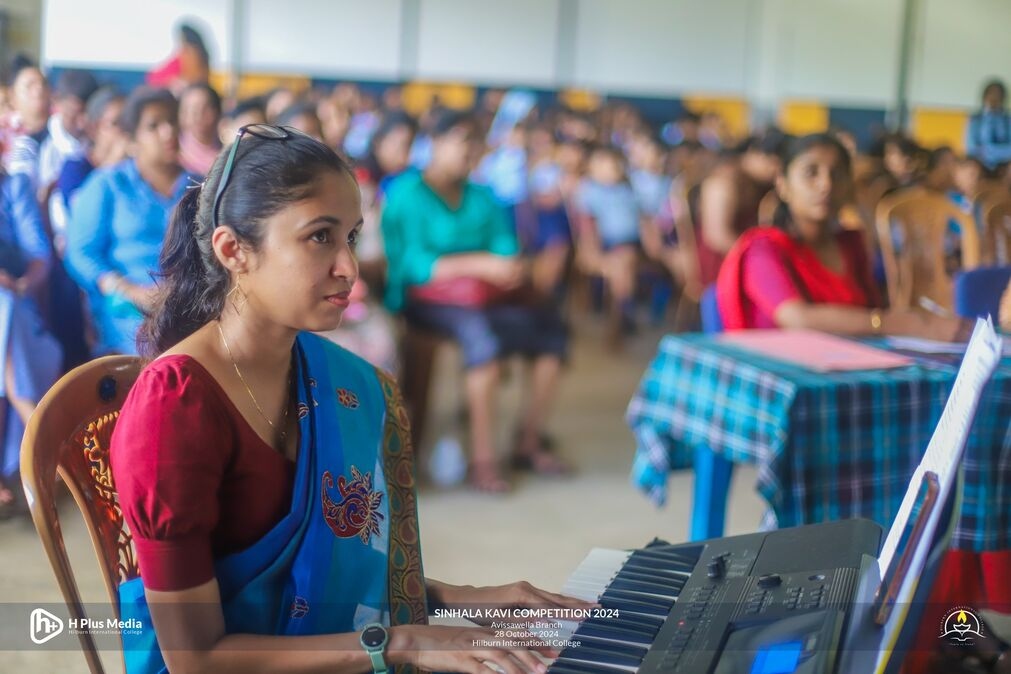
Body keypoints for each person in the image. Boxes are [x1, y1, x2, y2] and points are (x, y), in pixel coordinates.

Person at [110, 123, 589, 673]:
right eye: (320, 237)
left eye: (352, 238)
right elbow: (196, 659)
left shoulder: (334, 379)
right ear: (233, 250)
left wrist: (473, 599)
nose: (350, 268)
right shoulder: (176, 408)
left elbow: (327, 580)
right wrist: (401, 643)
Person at [382, 110, 570, 492]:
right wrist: (478, 264)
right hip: (426, 301)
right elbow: (411, 265)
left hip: (483, 298)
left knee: (552, 332)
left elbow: (505, 244)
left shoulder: (482, 195)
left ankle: (527, 442)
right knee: (482, 339)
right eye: (462, 141)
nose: (471, 151)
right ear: (434, 143)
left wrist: (507, 264)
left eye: (476, 143)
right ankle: (482, 460)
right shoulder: (407, 194)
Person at [716, 133, 967, 341]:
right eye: (810, 172)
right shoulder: (762, 249)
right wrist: (901, 323)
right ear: (783, 185)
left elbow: (871, 308)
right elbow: (798, 319)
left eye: (837, 175)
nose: (826, 184)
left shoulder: (850, 243)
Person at [66, 87, 197, 355]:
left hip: (190, 308)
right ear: (133, 139)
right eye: (154, 126)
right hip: (126, 309)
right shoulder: (108, 184)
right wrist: (127, 289)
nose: (168, 132)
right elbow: (80, 253)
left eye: (172, 121)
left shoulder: (200, 186)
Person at [0, 168, 62, 517]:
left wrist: (21, 285)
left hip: (18, 304)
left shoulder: (14, 185)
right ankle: (37, 426)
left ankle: (29, 413)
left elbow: (38, 254)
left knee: (5, 307)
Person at [696, 128, 785, 285]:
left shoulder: (758, 184)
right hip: (722, 264)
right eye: (775, 166)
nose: (776, 174)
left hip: (746, 256)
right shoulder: (724, 182)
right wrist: (760, 258)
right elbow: (717, 236)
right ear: (759, 155)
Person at [177, 82, 222, 175]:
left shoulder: (227, 157)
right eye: (191, 110)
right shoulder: (175, 157)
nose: (197, 116)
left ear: (218, 112)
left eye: (204, 108)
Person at [966, 79, 1011, 172]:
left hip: (1004, 165)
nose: (994, 97)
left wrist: (991, 152)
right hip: (979, 164)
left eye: (998, 95)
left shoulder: (1007, 120)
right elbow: (970, 147)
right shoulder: (975, 119)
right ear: (984, 96)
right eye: (991, 94)